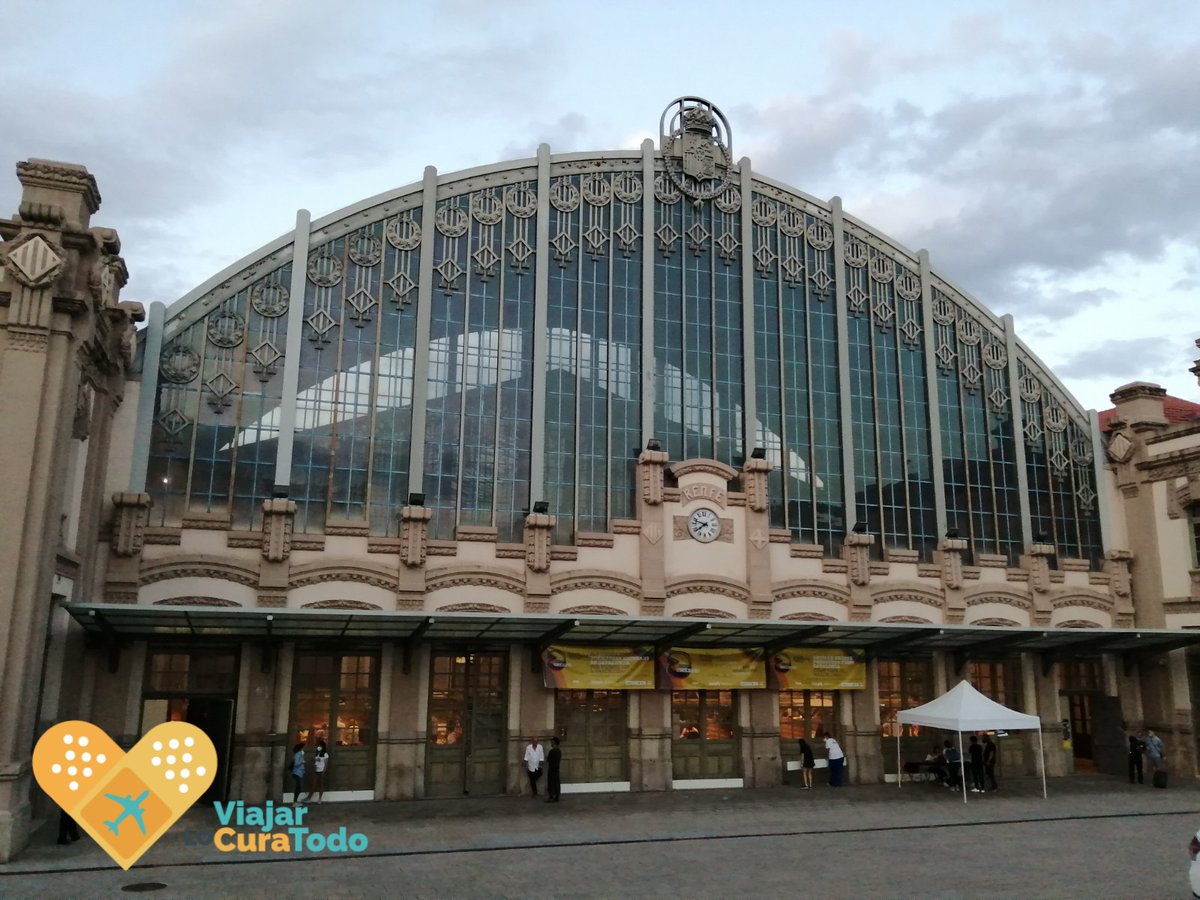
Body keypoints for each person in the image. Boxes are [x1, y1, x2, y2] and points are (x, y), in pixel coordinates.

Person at [545, 736, 562, 802]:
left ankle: (551, 796)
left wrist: (547, 758)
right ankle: (557, 796)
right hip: (556, 768)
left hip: (552, 769)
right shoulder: (559, 751)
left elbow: (549, 760)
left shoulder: (552, 751)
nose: (551, 743)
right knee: (556, 782)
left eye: (552, 742)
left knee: (551, 782)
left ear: (554, 742)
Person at [290, 742, 306, 806]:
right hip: (297, 773)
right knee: (298, 788)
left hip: (298, 773)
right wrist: (302, 762)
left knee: (298, 788)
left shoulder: (298, 754)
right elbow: (296, 764)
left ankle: (295, 801)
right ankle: (294, 802)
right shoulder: (299, 754)